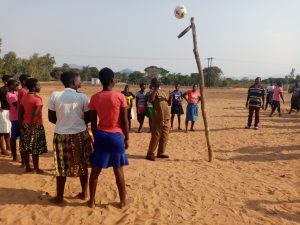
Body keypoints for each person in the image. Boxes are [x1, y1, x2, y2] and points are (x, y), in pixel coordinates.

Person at [48, 71, 92, 204]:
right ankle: (84, 194)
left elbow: (51, 118)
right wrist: (76, 124)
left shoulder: (54, 95)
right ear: (73, 82)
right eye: (80, 80)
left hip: (60, 135)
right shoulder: (83, 97)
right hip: (80, 134)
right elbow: (88, 118)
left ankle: (59, 197)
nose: (81, 82)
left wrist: (64, 123)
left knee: (60, 166)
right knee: (82, 164)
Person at [88, 67, 129, 209]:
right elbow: (124, 121)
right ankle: (123, 201)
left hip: (101, 135)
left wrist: (95, 138)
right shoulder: (120, 97)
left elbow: (93, 123)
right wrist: (127, 138)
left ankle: (91, 201)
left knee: (95, 171)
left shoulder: (94, 98)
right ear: (112, 80)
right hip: (117, 136)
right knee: (118, 170)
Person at [19, 78, 47, 173]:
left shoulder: (24, 97)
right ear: (34, 87)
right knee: (35, 148)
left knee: (26, 147)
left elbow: (20, 114)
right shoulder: (38, 99)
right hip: (35, 126)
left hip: (25, 125)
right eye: (39, 85)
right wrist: (31, 129)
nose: (40, 87)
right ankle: (36, 168)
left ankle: (27, 167)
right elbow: (35, 116)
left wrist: (21, 127)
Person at [146, 78, 172, 161]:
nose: (159, 82)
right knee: (155, 137)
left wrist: (171, 97)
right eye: (157, 82)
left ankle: (160, 152)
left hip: (166, 117)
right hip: (157, 118)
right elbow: (150, 100)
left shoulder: (164, 92)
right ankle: (150, 153)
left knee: (165, 136)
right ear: (154, 84)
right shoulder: (151, 91)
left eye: (160, 81)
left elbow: (169, 103)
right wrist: (156, 88)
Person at [18, 74, 30, 166]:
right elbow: (22, 108)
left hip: (26, 118)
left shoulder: (26, 90)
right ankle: (24, 161)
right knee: (23, 141)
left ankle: (25, 160)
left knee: (26, 141)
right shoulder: (23, 91)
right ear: (24, 81)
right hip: (24, 119)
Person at [6, 79, 20, 162]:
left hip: (17, 117)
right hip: (15, 118)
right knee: (14, 137)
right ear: (11, 86)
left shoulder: (15, 93)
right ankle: (14, 156)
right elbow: (17, 105)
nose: (17, 87)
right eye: (16, 85)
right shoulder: (10, 95)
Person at [0, 75, 13, 156]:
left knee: (7, 130)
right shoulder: (3, 90)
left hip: (9, 112)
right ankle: (3, 149)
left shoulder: (10, 90)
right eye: (11, 80)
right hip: (4, 112)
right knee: (1, 131)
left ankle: (8, 147)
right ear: (6, 82)